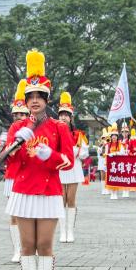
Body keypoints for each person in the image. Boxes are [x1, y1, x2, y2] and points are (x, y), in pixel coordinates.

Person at [5, 49, 75, 270]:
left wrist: (50, 155)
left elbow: (68, 161)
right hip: (23, 191)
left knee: (44, 245)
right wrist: (15, 146)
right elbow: (10, 165)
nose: (34, 101)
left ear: (46, 99)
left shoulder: (59, 128)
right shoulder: (17, 128)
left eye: (39, 96)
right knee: (26, 246)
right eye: (30, 97)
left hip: (48, 192)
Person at [0, 80, 30, 262]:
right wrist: (7, 148)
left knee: (31, 214)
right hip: (13, 176)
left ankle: (29, 247)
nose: (19, 117)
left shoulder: (35, 127)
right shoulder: (11, 130)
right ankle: (17, 250)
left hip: (31, 175)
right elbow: (5, 153)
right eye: (16, 114)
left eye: (22, 114)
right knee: (15, 215)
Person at [57, 92, 88, 242]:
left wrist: (76, 151)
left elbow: (84, 153)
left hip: (74, 168)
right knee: (61, 199)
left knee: (71, 199)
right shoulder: (54, 133)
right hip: (61, 168)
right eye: (61, 114)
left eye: (66, 115)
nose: (63, 117)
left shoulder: (78, 135)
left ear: (71, 118)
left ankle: (70, 231)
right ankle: (62, 231)